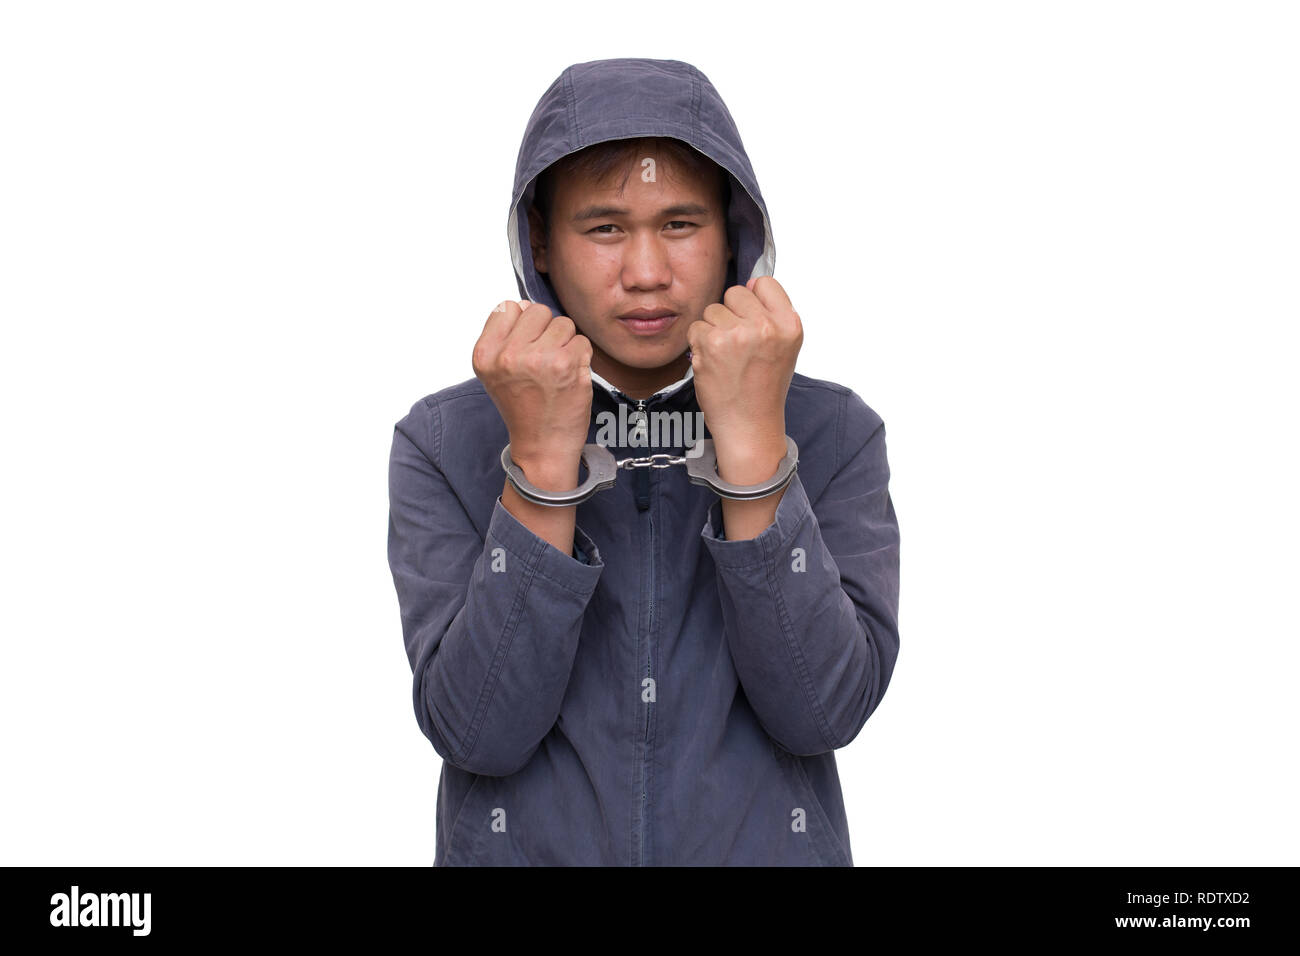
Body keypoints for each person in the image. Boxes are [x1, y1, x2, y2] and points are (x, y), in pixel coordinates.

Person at [387, 57, 901, 866]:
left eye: (681, 224)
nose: (648, 274)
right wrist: (541, 465)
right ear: (541, 244)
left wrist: (755, 448)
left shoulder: (834, 432)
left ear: (731, 237)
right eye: (603, 229)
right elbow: (479, 732)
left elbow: (822, 713)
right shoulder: (445, 441)